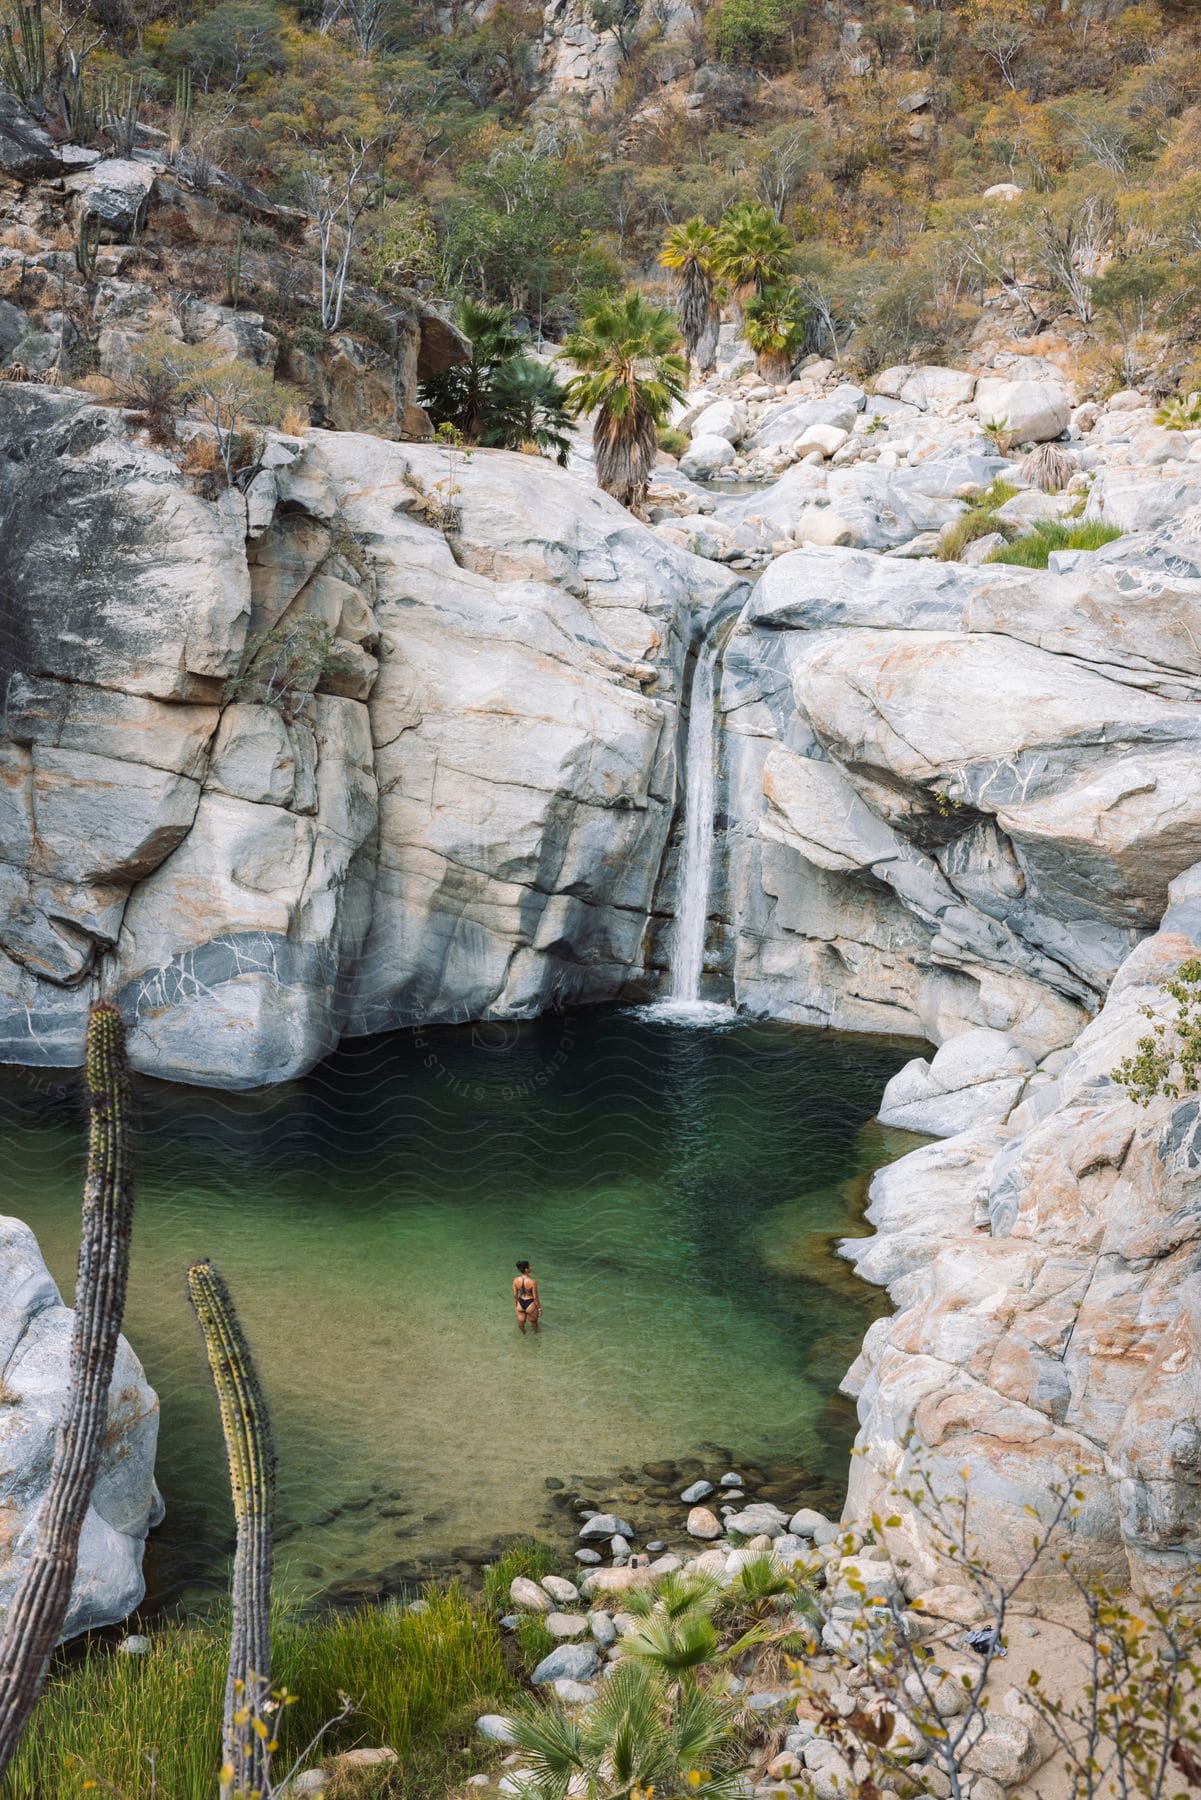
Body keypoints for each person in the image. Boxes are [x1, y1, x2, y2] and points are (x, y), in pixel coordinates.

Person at [513, 1260, 541, 1333]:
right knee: (534, 1322)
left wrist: (516, 1305)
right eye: (529, 1266)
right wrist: (539, 1308)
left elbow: (515, 1295)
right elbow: (535, 1297)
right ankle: (536, 1335)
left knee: (521, 1323)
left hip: (520, 1302)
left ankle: (523, 1333)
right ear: (526, 1269)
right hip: (530, 1303)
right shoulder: (532, 1281)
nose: (531, 1267)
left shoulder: (515, 1280)